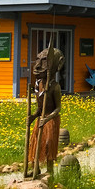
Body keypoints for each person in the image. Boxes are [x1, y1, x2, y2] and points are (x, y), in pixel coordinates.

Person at [27, 46, 65, 178]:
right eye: (38, 61)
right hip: (41, 120)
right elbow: (40, 107)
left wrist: (48, 119)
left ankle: (50, 171)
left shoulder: (55, 87)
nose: (37, 66)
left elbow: (58, 108)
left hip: (50, 120)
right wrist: (33, 116)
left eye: (44, 62)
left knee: (49, 144)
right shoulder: (38, 86)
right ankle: (35, 169)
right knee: (36, 143)